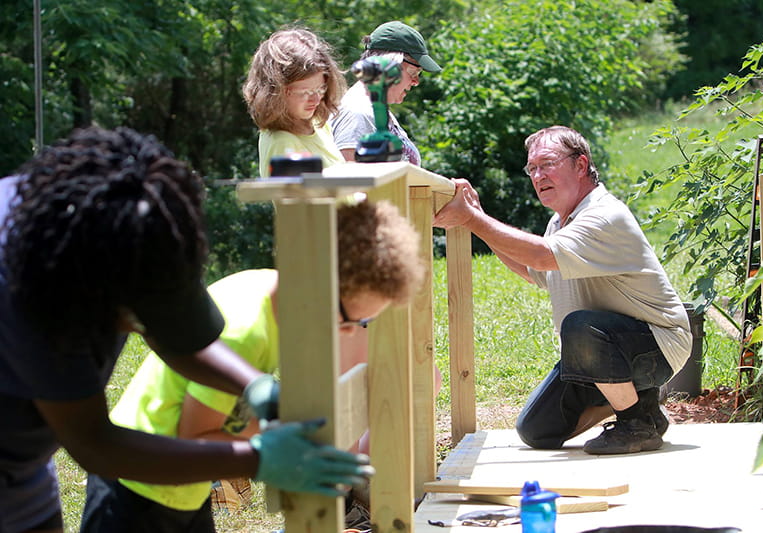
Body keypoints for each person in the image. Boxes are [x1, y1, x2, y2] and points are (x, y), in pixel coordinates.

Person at [0, 127, 372, 533]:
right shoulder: (33, 288)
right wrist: (257, 459)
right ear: (100, 292)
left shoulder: (138, 226)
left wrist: (256, 389)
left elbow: (182, 339)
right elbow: (93, 444)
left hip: (25, 473)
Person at [79, 199, 424, 532]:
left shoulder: (269, 292)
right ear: (317, 285)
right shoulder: (245, 331)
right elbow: (196, 433)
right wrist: (277, 446)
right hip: (139, 490)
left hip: (180, 488)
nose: (350, 333)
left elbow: (233, 414)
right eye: (350, 320)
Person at [433, 125, 692, 455]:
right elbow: (532, 269)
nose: (538, 175)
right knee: (536, 431)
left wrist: (471, 219)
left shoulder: (604, 214)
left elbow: (541, 256)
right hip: (600, 349)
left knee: (580, 327)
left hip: (658, 345)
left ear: (580, 165)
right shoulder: (560, 223)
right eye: (532, 168)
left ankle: (636, 422)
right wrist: (478, 217)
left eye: (547, 164)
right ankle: (643, 401)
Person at [330, 20, 442, 165]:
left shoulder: (376, 110)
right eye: (413, 72)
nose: (416, 81)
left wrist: (448, 186)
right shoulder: (357, 112)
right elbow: (350, 182)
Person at [242, 28, 348, 177]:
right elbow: (294, 200)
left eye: (320, 89)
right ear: (275, 93)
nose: (316, 99)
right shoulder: (282, 142)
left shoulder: (318, 125)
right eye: (305, 92)